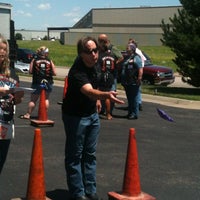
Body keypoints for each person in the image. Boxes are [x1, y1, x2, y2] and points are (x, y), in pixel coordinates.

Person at [62, 36, 124, 200]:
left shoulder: (96, 65)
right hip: (75, 116)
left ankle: (90, 189)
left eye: (95, 50)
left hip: (91, 115)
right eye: (88, 52)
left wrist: (97, 100)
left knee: (90, 154)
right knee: (75, 155)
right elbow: (89, 90)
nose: (93, 54)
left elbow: (94, 84)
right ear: (81, 54)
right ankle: (78, 193)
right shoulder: (77, 71)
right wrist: (104, 95)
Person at [0, 34, 24, 174]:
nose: (2, 52)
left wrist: (18, 97)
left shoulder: (12, 73)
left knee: (1, 161)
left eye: (4, 49)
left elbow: (16, 100)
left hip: (5, 123)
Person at [20, 46, 56, 119]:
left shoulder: (34, 60)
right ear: (45, 53)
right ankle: (43, 114)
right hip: (48, 82)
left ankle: (28, 114)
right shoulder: (49, 60)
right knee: (46, 99)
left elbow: (30, 71)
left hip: (37, 82)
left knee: (33, 100)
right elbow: (55, 73)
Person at [97, 34, 123, 119]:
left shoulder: (113, 49)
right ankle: (103, 109)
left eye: (100, 41)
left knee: (110, 93)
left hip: (110, 74)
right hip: (105, 74)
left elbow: (120, 58)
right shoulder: (102, 51)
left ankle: (109, 111)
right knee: (103, 93)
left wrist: (114, 64)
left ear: (104, 42)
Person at [121, 43, 143, 119]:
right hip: (127, 81)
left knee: (134, 98)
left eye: (128, 48)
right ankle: (130, 112)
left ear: (132, 49)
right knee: (129, 98)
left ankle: (134, 113)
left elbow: (140, 69)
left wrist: (139, 78)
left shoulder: (136, 58)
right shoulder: (127, 57)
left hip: (134, 81)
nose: (126, 49)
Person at [128, 38, 146, 111]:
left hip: (137, 73)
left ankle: (138, 104)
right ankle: (136, 104)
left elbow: (142, 61)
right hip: (135, 72)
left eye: (130, 43)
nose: (128, 44)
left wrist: (139, 75)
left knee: (136, 90)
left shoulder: (137, 52)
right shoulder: (137, 52)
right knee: (136, 91)